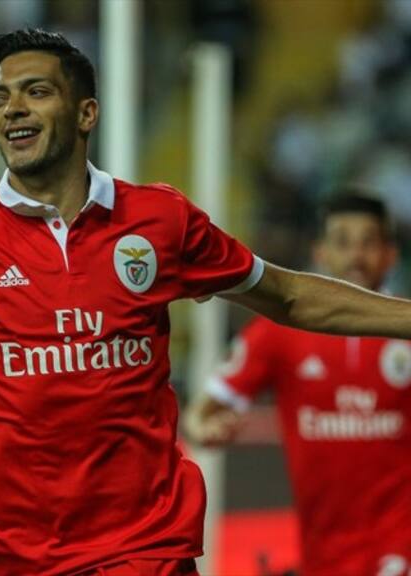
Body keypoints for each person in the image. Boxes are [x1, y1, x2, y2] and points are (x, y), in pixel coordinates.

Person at [0, 29, 411, 576]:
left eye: (36, 92)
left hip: (145, 546)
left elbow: (290, 296)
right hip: (15, 555)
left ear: (86, 112)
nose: (12, 109)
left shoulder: (160, 222)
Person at [185, 193, 411, 576]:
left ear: (390, 255)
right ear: (320, 252)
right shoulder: (280, 333)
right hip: (321, 554)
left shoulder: (404, 330)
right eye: (342, 241)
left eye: (368, 243)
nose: (356, 255)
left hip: (399, 543)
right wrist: (205, 430)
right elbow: (199, 413)